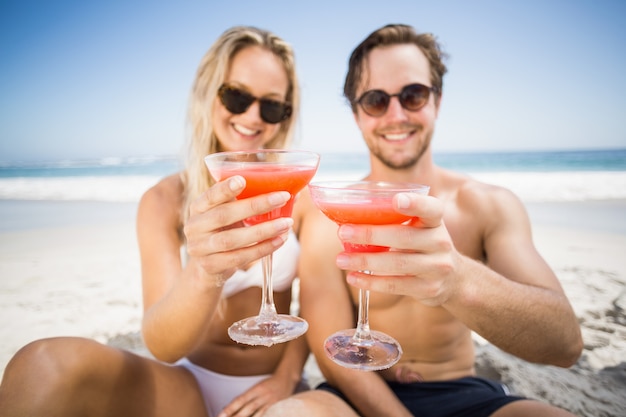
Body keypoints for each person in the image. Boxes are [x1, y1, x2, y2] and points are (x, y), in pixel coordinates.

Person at [265, 24, 583, 417]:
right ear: (356, 112)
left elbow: (565, 344)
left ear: (438, 100)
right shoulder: (325, 213)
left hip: (463, 392)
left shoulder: (487, 205)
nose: (396, 115)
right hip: (354, 396)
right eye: (376, 100)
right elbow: (329, 347)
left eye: (413, 95)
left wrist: (457, 281)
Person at [0, 26, 310, 417]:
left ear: (285, 114)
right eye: (236, 96)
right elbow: (163, 343)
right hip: (185, 386)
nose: (252, 117)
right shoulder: (164, 201)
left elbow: (316, 311)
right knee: (39, 366)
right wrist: (204, 270)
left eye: (271, 106)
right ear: (207, 92)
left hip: (276, 387)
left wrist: (285, 379)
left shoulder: (300, 197)